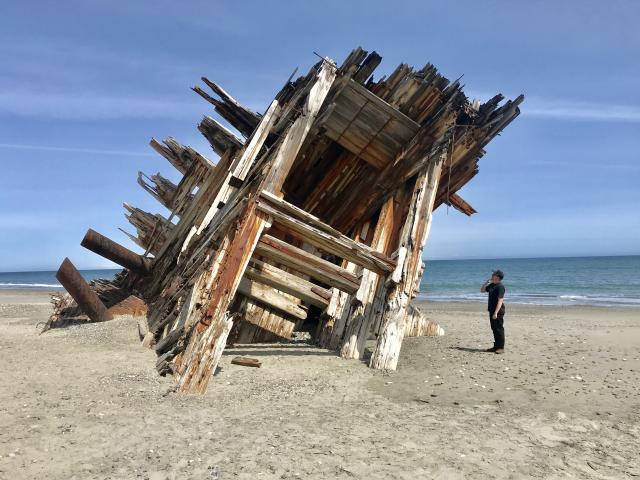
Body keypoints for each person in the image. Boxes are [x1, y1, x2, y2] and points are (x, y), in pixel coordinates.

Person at [480, 270, 506, 354]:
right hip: (491, 310)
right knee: (494, 329)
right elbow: (482, 290)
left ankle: (501, 347)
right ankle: (495, 347)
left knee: (499, 329)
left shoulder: (500, 287)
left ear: (497, 277)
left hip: (498, 312)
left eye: (493, 274)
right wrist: (486, 282)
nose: (492, 275)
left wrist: (496, 313)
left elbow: (500, 300)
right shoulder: (492, 285)